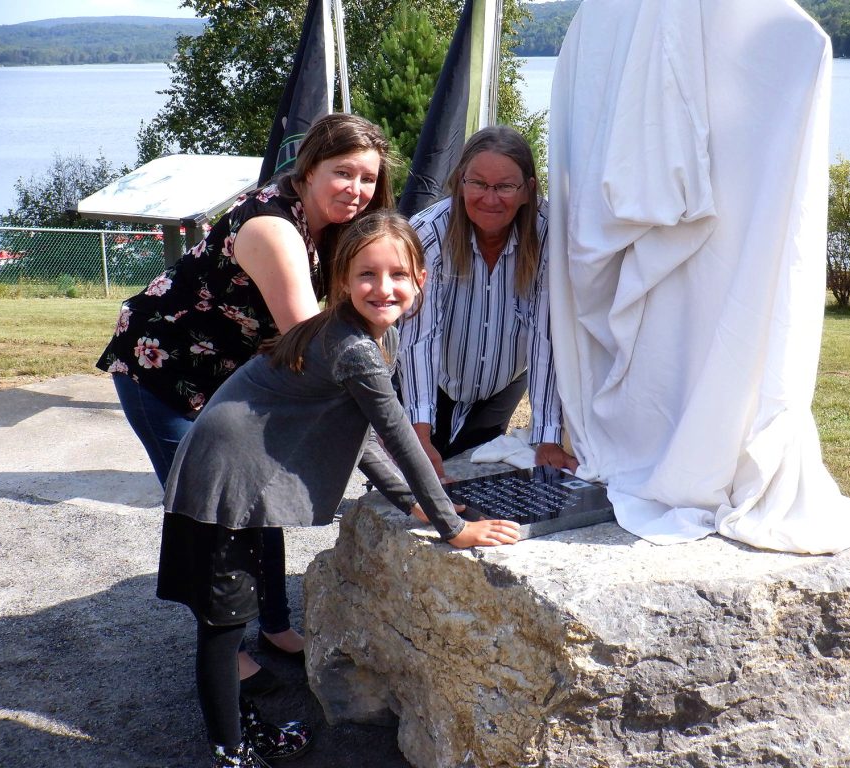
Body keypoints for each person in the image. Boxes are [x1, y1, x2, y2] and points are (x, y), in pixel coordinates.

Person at [157, 210, 521, 767]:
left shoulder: (362, 337)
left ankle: (240, 729)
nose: (384, 288)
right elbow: (399, 438)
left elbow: (366, 439)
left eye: (398, 274)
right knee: (223, 627)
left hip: (234, 479)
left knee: (233, 618)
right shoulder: (354, 347)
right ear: (343, 282)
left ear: (421, 279)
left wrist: (411, 504)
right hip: (220, 484)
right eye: (367, 275)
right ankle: (231, 754)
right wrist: (453, 526)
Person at [96, 113, 394, 694]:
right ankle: (224, 653)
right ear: (308, 169)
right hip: (164, 376)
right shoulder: (273, 228)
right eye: (343, 173)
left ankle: (277, 626)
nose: (356, 190)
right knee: (213, 518)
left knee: (261, 500)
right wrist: (381, 444)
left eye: (367, 179)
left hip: (229, 383)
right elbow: (315, 346)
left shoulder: (327, 224)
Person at [399, 125, 577, 479]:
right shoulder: (427, 233)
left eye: (505, 186)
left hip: (502, 384)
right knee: (412, 479)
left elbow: (547, 336)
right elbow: (419, 337)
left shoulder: (548, 234)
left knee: (467, 480)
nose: (490, 198)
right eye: (478, 183)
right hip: (434, 378)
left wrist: (547, 437)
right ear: (460, 181)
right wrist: (418, 429)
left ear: (528, 190)